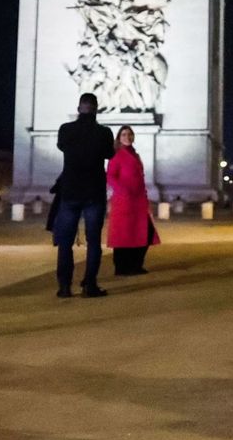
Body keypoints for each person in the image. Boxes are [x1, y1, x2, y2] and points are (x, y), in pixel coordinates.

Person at [54, 92, 116, 298]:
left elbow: (61, 146)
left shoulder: (66, 130)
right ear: (96, 109)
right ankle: (89, 285)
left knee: (65, 242)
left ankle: (64, 286)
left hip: (70, 191)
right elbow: (110, 154)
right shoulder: (104, 132)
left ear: (79, 108)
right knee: (94, 241)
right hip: (93, 192)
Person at [107, 124, 161, 275]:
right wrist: (123, 191)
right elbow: (110, 176)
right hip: (123, 201)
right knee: (123, 235)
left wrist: (145, 198)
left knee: (143, 233)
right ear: (119, 138)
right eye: (124, 135)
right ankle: (121, 268)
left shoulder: (135, 154)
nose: (127, 137)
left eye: (129, 134)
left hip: (138, 200)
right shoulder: (116, 155)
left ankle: (135, 265)